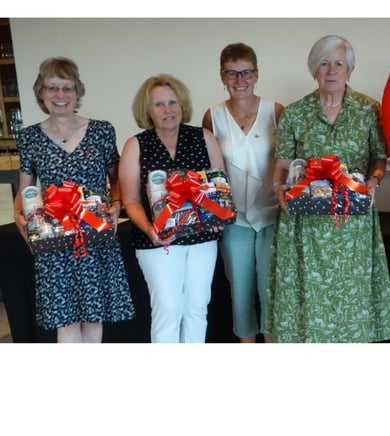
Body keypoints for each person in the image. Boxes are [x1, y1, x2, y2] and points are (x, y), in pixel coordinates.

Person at [266, 34, 390, 343]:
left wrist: (375, 181)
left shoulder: (369, 110)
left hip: (352, 224)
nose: (331, 70)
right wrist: (278, 189)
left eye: (339, 63)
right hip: (304, 224)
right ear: (314, 69)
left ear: (350, 70)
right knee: (306, 299)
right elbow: (283, 165)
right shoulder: (296, 113)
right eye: (324, 63)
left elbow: (379, 157)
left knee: (351, 301)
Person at [12, 57, 135, 342]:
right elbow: (25, 187)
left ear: (78, 92)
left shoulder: (102, 130)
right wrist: (20, 213)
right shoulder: (29, 137)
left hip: (95, 234)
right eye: (52, 88)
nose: (60, 95)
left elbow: (116, 178)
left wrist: (116, 206)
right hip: (54, 239)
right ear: (40, 93)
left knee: (94, 319)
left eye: (67, 88)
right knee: (64, 323)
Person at [120, 74, 227, 343]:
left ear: (182, 105)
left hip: (202, 238)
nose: (168, 110)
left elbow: (220, 188)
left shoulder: (204, 137)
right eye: (159, 105)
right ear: (147, 111)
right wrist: (149, 228)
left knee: (196, 309)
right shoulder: (136, 145)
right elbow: (130, 199)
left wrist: (219, 215)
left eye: (172, 102)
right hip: (158, 240)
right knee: (168, 310)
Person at [202, 43, 284, 343]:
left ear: (257, 74)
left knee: (270, 290)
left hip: (271, 214)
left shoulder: (275, 111)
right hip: (232, 219)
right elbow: (209, 174)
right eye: (232, 73)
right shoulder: (213, 115)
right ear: (222, 77)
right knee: (240, 291)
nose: (240, 80)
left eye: (246, 72)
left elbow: (288, 162)